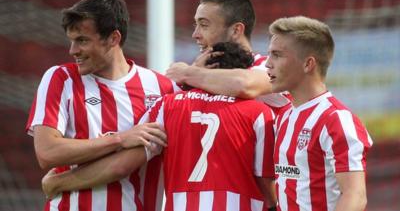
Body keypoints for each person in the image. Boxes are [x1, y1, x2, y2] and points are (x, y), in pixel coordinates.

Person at [41, 42, 278, 211]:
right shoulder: (260, 113)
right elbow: (266, 183)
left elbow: (121, 166)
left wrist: (61, 182)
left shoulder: (167, 106)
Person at [26, 0, 178, 211]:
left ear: (113, 38)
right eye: (72, 41)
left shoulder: (163, 89)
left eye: (82, 40)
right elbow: (47, 153)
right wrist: (118, 139)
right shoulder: (61, 79)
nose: (73, 50)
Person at [266, 16, 373, 211]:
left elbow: (355, 196)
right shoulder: (284, 116)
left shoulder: (337, 119)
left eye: (277, 55)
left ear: (308, 64)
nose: (267, 63)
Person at [166, 0, 290, 111]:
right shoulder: (196, 74)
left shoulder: (270, 66)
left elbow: (244, 85)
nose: (195, 34)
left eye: (204, 25)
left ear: (236, 30)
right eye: (195, 25)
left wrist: (188, 73)